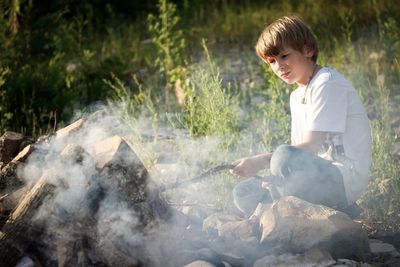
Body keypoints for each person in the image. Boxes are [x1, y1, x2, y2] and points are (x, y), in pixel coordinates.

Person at [231, 16, 372, 218]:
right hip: (313, 176)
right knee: (242, 192)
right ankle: (285, 209)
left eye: (284, 56)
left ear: (308, 50)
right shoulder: (296, 96)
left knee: (283, 156)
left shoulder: (327, 82)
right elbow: (301, 154)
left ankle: (339, 209)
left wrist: (262, 161)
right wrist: (273, 175)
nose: (278, 66)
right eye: (271, 61)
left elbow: (310, 147)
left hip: (342, 180)